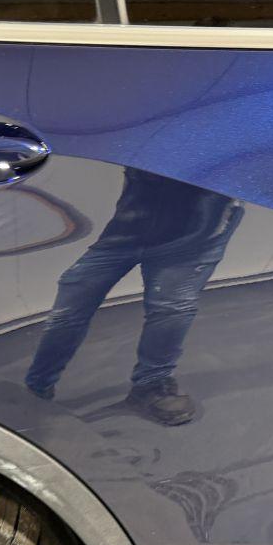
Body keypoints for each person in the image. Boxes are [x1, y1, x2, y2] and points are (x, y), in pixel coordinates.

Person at [25, 168, 243, 425]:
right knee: (73, 300)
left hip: (195, 236)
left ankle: (152, 383)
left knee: (171, 309)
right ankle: (37, 385)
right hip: (129, 228)